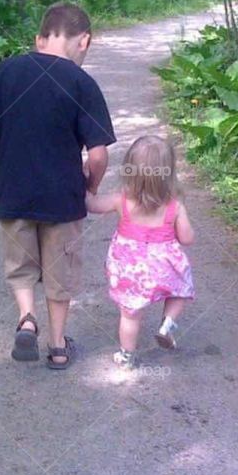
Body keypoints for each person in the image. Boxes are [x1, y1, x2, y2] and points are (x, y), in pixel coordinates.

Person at [0, 2, 115, 369]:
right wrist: (91, 187)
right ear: (84, 41)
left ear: (38, 39)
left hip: (12, 191)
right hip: (63, 200)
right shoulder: (83, 83)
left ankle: (26, 318)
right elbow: (98, 156)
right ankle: (58, 346)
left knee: (20, 266)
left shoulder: (8, 70)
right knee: (59, 273)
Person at [86, 135, 194, 367]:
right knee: (180, 290)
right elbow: (187, 238)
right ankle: (167, 324)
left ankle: (127, 355)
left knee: (130, 313)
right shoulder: (174, 206)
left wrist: (85, 185)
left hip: (130, 268)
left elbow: (91, 205)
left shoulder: (121, 200)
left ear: (129, 171)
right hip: (163, 265)